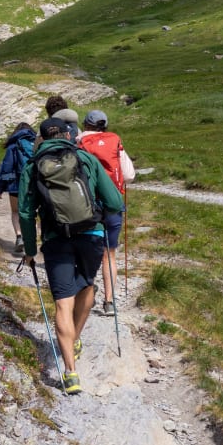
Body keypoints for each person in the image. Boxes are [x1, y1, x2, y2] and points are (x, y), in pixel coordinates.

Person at [18, 117, 124, 394]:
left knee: (63, 303)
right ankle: (75, 339)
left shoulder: (33, 166)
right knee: (87, 285)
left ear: (40, 139)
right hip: (91, 235)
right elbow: (114, 202)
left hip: (56, 239)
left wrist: (30, 250)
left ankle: (70, 373)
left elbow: (26, 212)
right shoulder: (85, 159)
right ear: (68, 134)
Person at [78, 110, 135, 316]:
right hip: (113, 203)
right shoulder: (114, 141)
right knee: (109, 253)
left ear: (86, 124)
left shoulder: (80, 142)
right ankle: (109, 302)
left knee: (89, 250)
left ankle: (88, 294)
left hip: (89, 205)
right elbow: (129, 175)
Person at [0, 122, 36, 253]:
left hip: (16, 184)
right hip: (33, 183)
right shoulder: (37, 143)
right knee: (31, 213)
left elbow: (6, 167)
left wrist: (0, 187)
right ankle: (31, 239)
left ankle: (19, 237)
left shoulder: (13, 145)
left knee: (16, 212)